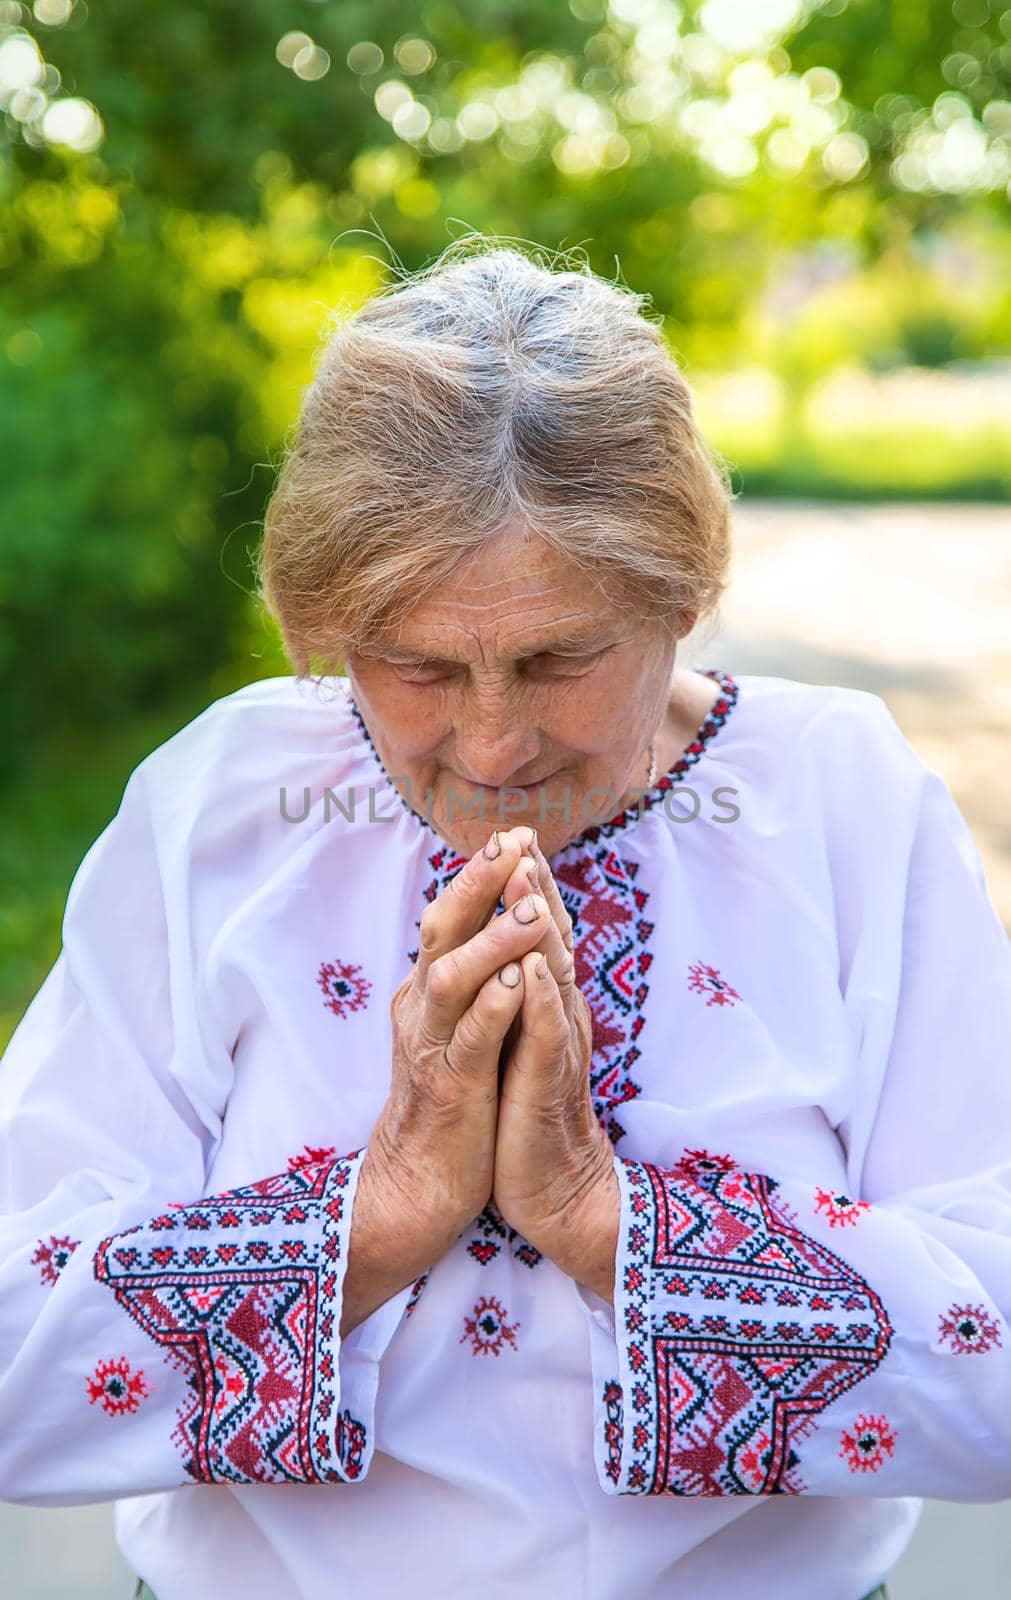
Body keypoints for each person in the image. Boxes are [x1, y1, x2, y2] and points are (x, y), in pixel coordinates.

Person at [1, 243, 1008, 1600]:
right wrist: (385, 1214)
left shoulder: (842, 802)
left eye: (558, 660)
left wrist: (607, 1224)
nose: (489, 747)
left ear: (682, 595)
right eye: (412, 665)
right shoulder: (221, 811)